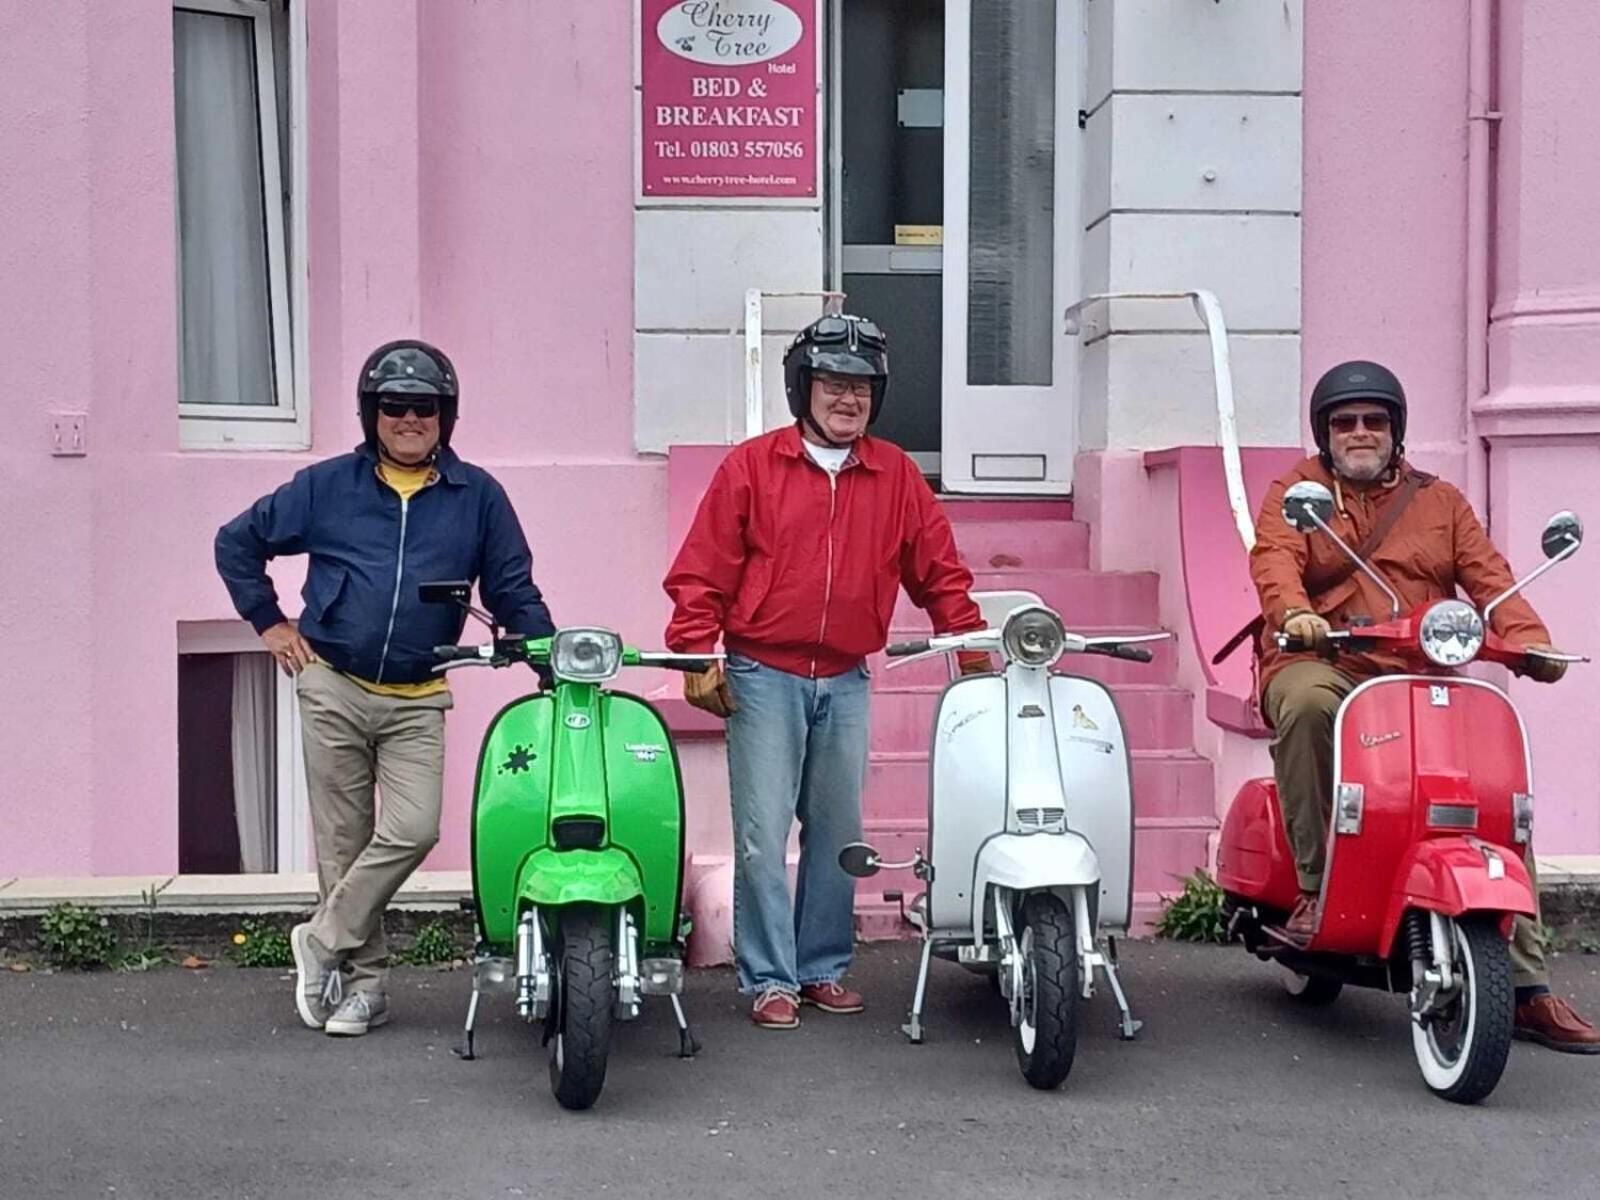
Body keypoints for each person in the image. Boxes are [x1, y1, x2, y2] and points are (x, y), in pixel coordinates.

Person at [1250, 358, 1598, 1052]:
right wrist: (1295, 613)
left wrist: (1531, 642)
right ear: (1325, 431)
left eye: (1373, 421)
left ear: (1396, 430)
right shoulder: (1298, 492)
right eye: (1344, 422)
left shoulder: (1440, 502)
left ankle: (1527, 987)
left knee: (1496, 789)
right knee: (1310, 706)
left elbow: (1490, 577)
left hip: (1419, 669)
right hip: (1326, 660)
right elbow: (1274, 560)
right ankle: (1318, 882)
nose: (1359, 432)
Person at [215, 339, 554, 1036]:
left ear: (445, 416)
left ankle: (320, 940)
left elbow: (513, 588)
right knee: (343, 843)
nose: (408, 418)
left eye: (423, 407)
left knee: (413, 829)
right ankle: (364, 989)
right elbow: (236, 541)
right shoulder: (327, 487)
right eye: (394, 405)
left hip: (418, 695)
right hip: (332, 684)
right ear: (372, 412)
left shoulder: (477, 497)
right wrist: (269, 624)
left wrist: (550, 657)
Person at [662, 314, 989, 1029]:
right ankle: (770, 979)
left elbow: (940, 573)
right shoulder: (751, 467)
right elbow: (703, 569)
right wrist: (695, 650)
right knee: (762, 830)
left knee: (840, 832)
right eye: (835, 384)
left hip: (846, 676)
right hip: (762, 673)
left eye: (862, 387)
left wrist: (969, 647)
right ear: (801, 388)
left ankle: (820, 968)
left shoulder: (896, 473)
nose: (849, 399)